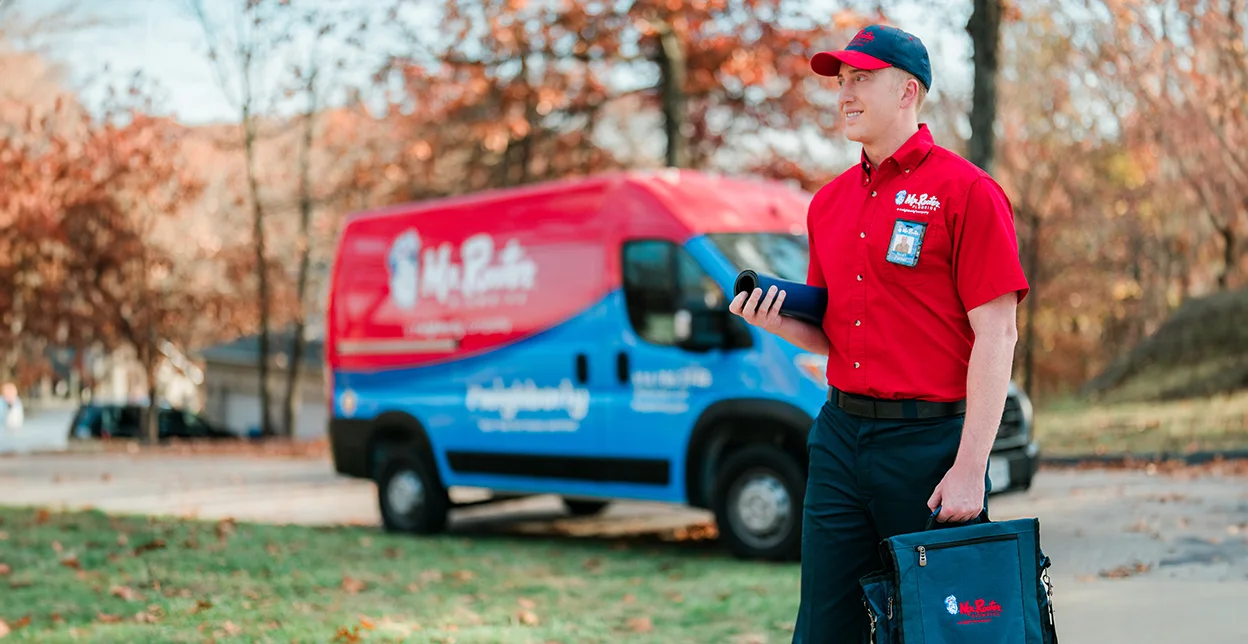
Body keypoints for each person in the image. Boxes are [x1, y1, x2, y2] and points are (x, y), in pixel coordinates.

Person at [728, 24, 1030, 643]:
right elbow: (832, 333)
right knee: (824, 629)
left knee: (943, 632)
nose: (846, 94)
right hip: (839, 439)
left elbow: (998, 335)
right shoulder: (827, 205)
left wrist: (972, 466)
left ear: (908, 91)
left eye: (862, 78)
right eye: (842, 81)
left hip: (930, 448)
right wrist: (775, 320)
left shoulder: (968, 193)